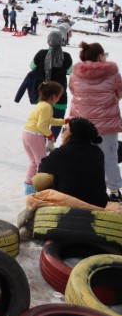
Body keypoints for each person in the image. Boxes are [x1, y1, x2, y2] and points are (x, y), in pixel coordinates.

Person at [69, 42, 122, 202]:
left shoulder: (75, 74)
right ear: (100, 56)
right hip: (106, 125)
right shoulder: (113, 74)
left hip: (80, 125)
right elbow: (119, 93)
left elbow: (73, 91)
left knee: (82, 157)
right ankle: (114, 192)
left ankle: (83, 190)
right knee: (110, 158)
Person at [32, 117, 108, 207]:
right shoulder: (98, 152)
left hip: (69, 203)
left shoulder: (62, 152)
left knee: (41, 179)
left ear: (73, 133)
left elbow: (42, 168)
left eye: (64, 129)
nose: (62, 132)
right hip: (99, 202)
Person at [21, 81, 66, 195]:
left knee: (34, 162)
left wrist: (64, 121)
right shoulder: (47, 107)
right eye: (59, 96)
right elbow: (41, 125)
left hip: (27, 133)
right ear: (53, 96)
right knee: (42, 163)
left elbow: (49, 120)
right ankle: (39, 187)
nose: (59, 99)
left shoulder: (41, 104)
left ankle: (29, 186)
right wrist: (51, 135)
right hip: (35, 135)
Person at [30, 30, 73, 140]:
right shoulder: (66, 56)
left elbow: (32, 66)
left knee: (43, 120)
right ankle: (51, 142)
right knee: (58, 120)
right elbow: (69, 71)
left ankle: (41, 141)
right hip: (60, 95)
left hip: (43, 94)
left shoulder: (41, 54)